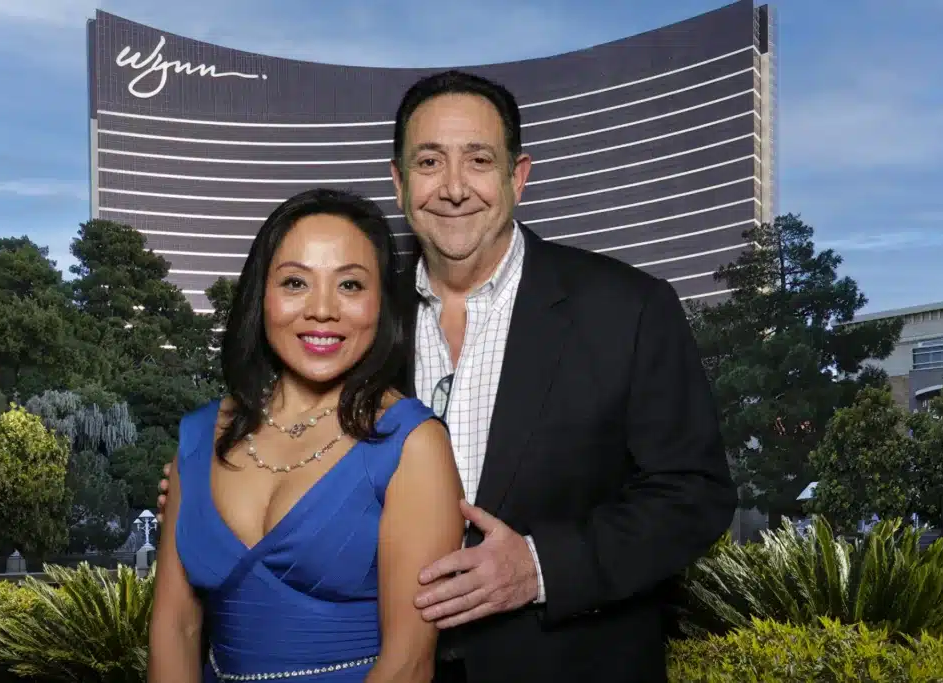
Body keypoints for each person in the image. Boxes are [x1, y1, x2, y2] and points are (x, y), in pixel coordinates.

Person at [159, 71, 737, 683]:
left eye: (479, 160)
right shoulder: (358, 311)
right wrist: (205, 491)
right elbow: (286, 439)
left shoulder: (627, 307)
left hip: (564, 661)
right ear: (399, 182)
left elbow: (694, 493)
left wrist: (541, 568)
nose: (454, 188)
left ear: (518, 176)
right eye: (430, 161)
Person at [147, 188, 465, 683]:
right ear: (262, 296)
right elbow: (176, 627)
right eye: (295, 282)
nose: (321, 310)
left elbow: (408, 663)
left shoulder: (414, 444)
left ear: (382, 303)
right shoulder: (198, 436)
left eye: (350, 286)